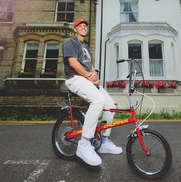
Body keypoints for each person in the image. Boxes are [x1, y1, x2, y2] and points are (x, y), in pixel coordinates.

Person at [62, 18, 122, 166]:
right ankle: (84, 144)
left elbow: (90, 66)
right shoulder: (70, 43)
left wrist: (95, 78)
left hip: (87, 80)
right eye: (80, 26)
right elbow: (74, 63)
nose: (83, 27)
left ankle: (105, 141)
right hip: (75, 79)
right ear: (74, 29)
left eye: (85, 26)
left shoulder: (86, 48)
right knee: (98, 100)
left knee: (111, 105)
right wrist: (89, 76)